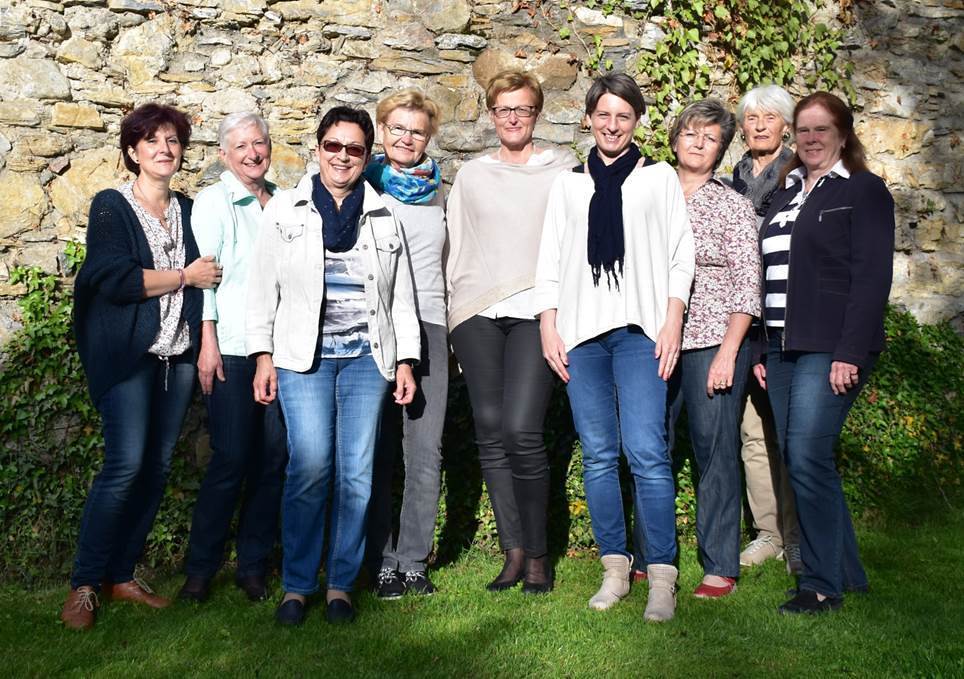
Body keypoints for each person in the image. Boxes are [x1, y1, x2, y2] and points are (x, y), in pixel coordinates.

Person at [246, 106, 420, 626]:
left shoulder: (384, 214)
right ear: (318, 148)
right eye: (333, 146)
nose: (342, 156)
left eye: (354, 149)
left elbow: (401, 296)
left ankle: (340, 585)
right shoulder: (286, 209)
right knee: (310, 468)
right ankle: (298, 586)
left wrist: (406, 360)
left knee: (357, 473)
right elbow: (262, 288)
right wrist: (262, 356)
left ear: (366, 156)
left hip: (367, 360)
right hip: (304, 360)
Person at [535, 73, 694, 621]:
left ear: (636, 121)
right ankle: (615, 569)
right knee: (600, 456)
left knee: (647, 452)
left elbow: (680, 255)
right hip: (581, 337)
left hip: (640, 333)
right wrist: (548, 325)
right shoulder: (568, 186)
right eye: (603, 114)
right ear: (588, 119)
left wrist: (672, 321)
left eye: (623, 115)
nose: (612, 124)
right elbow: (550, 260)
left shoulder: (659, 178)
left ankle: (662, 576)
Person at [62, 103, 222, 630]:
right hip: (129, 357)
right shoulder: (113, 206)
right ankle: (85, 584)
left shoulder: (190, 210)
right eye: (152, 140)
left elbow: (213, 278)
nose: (164, 149)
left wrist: (205, 339)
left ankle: (122, 575)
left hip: (177, 357)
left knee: (155, 468)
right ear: (133, 151)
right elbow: (117, 280)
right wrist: (184, 276)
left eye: (173, 140)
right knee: (125, 465)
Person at [754, 91, 894, 614]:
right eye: (804, 130)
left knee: (808, 456)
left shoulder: (862, 189)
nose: (811, 139)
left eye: (822, 129)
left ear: (843, 133)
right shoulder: (787, 191)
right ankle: (849, 574)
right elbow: (769, 273)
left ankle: (819, 584)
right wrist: (763, 348)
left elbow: (872, 277)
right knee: (803, 458)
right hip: (781, 347)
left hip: (830, 346)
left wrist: (850, 352)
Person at [445, 70, 576, 594]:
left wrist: (559, 310)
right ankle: (513, 551)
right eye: (503, 109)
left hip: (535, 309)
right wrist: (454, 315)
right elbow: (457, 245)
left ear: (537, 113)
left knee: (522, 429)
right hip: (478, 311)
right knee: (491, 429)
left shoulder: (563, 171)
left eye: (522, 108)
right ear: (491, 114)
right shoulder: (472, 175)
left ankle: (539, 555)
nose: (513, 118)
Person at [178, 113, 287, 604]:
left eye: (258, 143)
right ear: (224, 154)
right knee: (231, 458)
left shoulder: (284, 201)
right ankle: (200, 570)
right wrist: (208, 341)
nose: (252, 153)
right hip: (234, 348)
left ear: (270, 147)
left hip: (281, 351)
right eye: (240, 146)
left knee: (273, 459)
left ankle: (252, 566)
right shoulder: (214, 201)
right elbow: (205, 277)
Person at [666, 99, 761, 598]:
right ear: (675, 138)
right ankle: (652, 557)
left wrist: (729, 352)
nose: (699, 143)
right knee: (651, 448)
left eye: (711, 138)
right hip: (656, 339)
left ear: (721, 150)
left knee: (714, 450)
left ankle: (720, 563)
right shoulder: (652, 192)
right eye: (691, 133)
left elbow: (748, 284)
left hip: (712, 341)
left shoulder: (731, 205)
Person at [363, 89, 447, 598]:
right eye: (397, 128)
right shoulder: (365, 188)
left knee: (425, 449)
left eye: (417, 130)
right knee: (375, 449)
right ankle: (380, 557)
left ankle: (413, 559)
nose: (406, 138)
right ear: (382, 130)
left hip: (431, 324)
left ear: (429, 137)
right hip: (377, 328)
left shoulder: (440, 194)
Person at [732, 84, 801, 571]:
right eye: (752, 118)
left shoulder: (799, 178)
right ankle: (768, 532)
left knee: (791, 434)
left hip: (783, 317)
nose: (759, 125)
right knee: (753, 434)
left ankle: (798, 536)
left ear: (786, 126)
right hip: (741, 319)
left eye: (769, 117)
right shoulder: (731, 180)